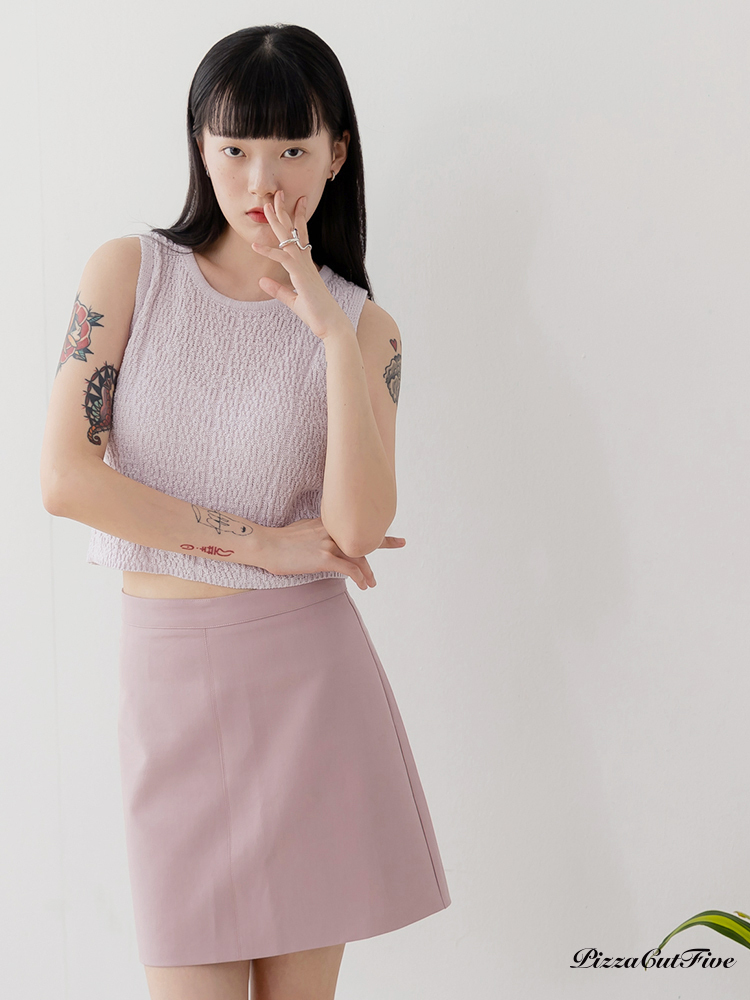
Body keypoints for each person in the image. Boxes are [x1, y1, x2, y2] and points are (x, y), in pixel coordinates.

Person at [40, 23, 451, 1000]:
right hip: (170, 684)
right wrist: (264, 543)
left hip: (310, 690)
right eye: (234, 148)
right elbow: (65, 479)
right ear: (199, 146)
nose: (261, 180)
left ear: (337, 152)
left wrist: (327, 332)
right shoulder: (127, 274)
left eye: (292, 149)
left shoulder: (366, 329)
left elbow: (355, 529)